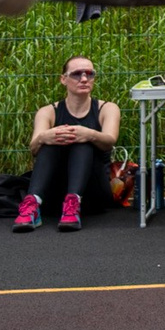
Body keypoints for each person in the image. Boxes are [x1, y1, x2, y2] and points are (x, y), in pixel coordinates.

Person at [14, 55, 120, 232]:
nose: (84, 79)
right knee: (50, 140)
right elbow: (34, 148)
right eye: (77, 74)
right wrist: (44, 138)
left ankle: (74, 200)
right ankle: (33, 203)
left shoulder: (107, 108)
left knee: (82, 140)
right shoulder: (48, 111)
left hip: (92, 193)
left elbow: (110, 140)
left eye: (90, 74)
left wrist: (89, 134)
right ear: (63, 79)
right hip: (55, 194)